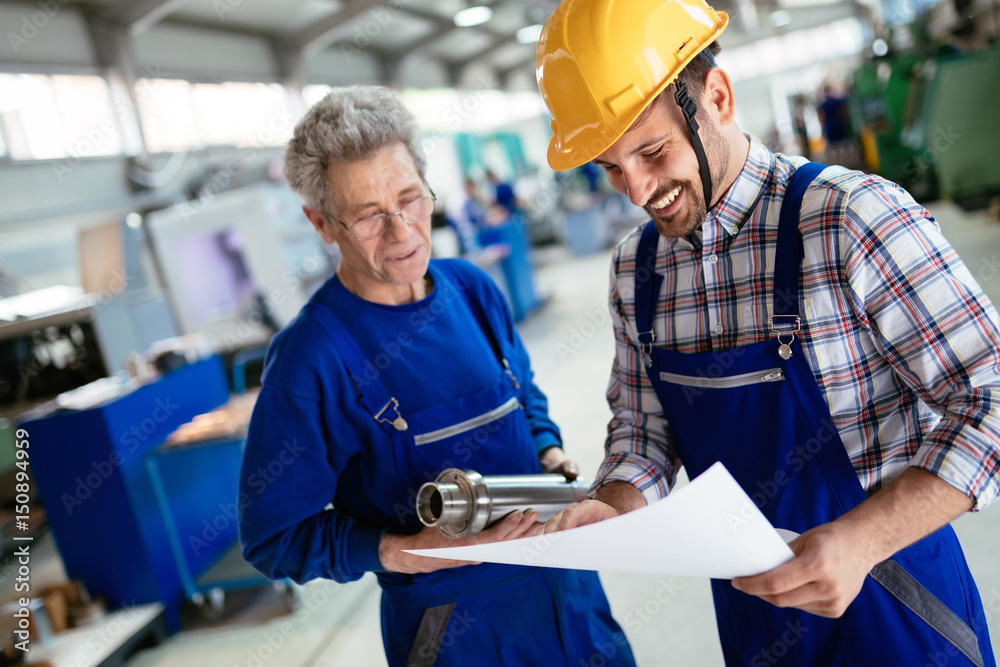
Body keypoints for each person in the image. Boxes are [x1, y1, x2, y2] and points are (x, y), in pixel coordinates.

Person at [534, 1, 999, 665]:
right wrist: (614, 504)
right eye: (611, 167)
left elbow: (991, 396)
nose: (637, 190)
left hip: (900, 605)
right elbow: (646, 429)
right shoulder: (637, 271)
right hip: (761, 620)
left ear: (717, 97)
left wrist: (862, 539)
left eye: (653, 150)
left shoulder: (848, 218)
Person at [237, 86, 635, 667]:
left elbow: (521, 392)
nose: (402, 234)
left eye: (410, 199)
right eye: (370, 217)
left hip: (567, 596)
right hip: (453, 630)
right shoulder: (309, 361)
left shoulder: (471, 289)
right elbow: (272, 537)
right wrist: (400, 552)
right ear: (322, 223)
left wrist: (548, 453)